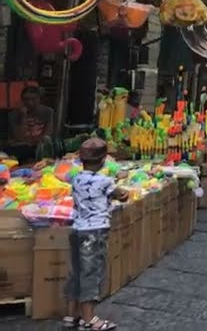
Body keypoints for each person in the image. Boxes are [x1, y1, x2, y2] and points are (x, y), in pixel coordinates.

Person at [64, 138, 128, 331]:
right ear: (103, 160)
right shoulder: (105, 181)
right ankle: (89, 319)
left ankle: (70, 316)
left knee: (76, 272)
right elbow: (122, 194)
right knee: (91, 273)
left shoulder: (75, 178)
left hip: (77, 230)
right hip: (95, 232)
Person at [5, 86, 54, 163]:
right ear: (22, 100)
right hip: (20, 147)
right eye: (26, 99)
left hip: (39, 146)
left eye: (33, 99)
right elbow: (19, 137)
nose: (30, 102)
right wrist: (23, 116)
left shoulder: (48, 112)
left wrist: (33, 142)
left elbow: (48, 134)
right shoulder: (13, 115)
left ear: (39, 99)